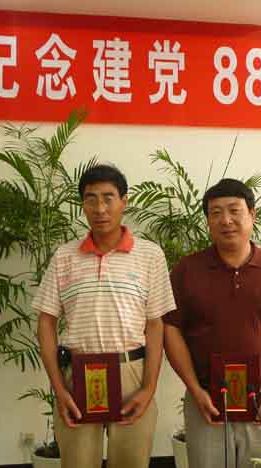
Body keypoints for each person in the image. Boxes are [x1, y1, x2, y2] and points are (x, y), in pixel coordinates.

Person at [163, 178, 261, 468]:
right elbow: (171, 330)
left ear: (252, 215)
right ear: (208, 221)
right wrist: (194, 390)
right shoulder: (187, 270)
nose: (226, 220)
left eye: (234, 210)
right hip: (206, 404)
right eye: (216, 212)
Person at [33, 164, 175, 468]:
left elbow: (155, 325)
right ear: (82, 205)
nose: (100, 208)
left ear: (124, 201)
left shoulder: (150, 255)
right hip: (77, 375)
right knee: (78, 463)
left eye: (108, 198)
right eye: (91, 199)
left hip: (132, 373)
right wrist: (60, 389)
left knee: (131, 463)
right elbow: (46, 322)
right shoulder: (64, 256)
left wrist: (149, 388)